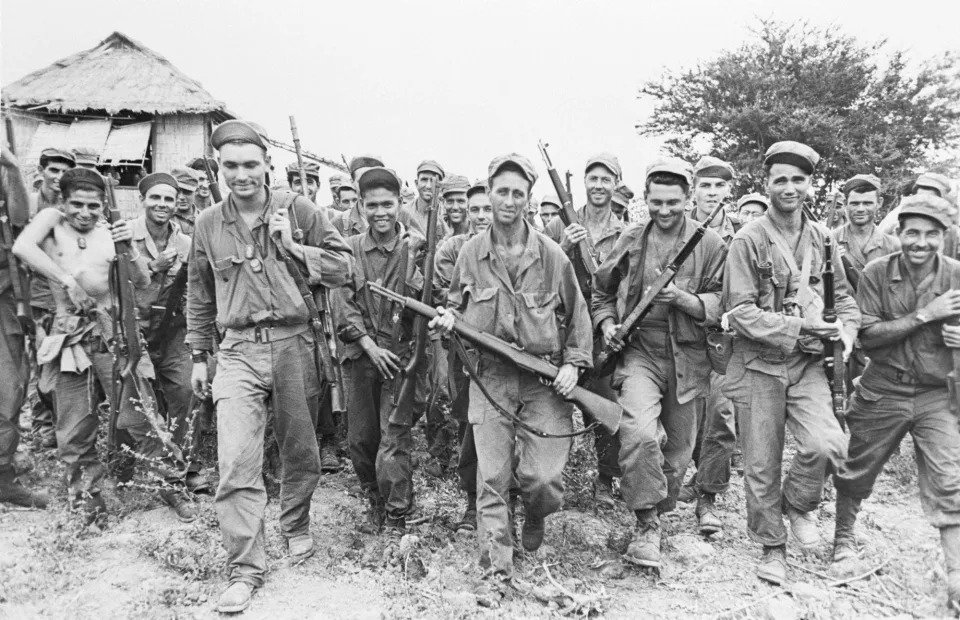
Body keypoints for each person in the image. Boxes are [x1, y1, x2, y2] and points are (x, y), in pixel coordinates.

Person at [186, 120, 351, 613]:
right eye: (230, 166)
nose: (241, 175)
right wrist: (199, 355)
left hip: (295, 344)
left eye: (250, 165)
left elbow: (345, 270)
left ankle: (296, 524)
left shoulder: (299, 211)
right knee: (236, 460)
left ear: (267, 166)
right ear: (219, 169)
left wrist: (296, 248)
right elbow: (199, 293)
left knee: (301, 451)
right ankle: (244, 568)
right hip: (236, 349)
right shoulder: (207, 224)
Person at [430, 153, 592, 584]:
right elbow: (454, 303)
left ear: (528, 199)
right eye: (501, 191)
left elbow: (578, 318)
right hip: (490, 379)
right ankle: (495, 571)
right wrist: (448, 319)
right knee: (492, 479)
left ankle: (535, 514)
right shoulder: (469, 253)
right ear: (490, 192)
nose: (509, 200)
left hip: (543, 380)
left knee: (542, 479)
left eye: (517, 193)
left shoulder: (553, 255)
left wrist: (574, 365)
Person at [13, 167, 193, 525]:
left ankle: (169, 483)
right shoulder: (50, 223)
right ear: (63, 203)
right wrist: (66, 281)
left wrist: (128, 249)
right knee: (75, 424)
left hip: (115, 336)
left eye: (93, 206)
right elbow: (22, 247)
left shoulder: (110, 232)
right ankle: (86, 498)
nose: (85, 212)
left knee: (142, 415)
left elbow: (142, 283)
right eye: (76, 204)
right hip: (69, 339)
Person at [722, 141, 860, 585]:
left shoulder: (823, 238)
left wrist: (846, 334)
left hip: (805, 367)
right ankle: (772, 546)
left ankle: (799, 504)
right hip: (759, 365)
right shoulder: (748, 239)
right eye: (780, 179)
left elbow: (845, 302)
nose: (789, 187)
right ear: (766, 183)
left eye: (798, 179)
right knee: (761, 465)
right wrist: (806, 328)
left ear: (809, 185)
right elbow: (740, 312)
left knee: (829, 444)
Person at [593, 158, 725, 567]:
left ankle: (661, 507)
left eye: (672, 202)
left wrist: (683, 300)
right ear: (645, 200)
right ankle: (646, 524)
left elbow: (725, 304)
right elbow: (600, 292)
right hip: (640, 354)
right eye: (656, 202)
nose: (664, 211)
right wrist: (608, 324)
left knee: (680, 453)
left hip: (689, 357)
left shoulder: (711, 245)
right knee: (638, 432)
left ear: (688, 200)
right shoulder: (632, 238)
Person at [832, 194, 960, 610]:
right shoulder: (876, 272)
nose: (920, 242)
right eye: (912, 232)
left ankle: (957, 578)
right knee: (857, 468)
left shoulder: (957, 276)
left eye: (931, 234)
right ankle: (844, 541)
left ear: (944, 237)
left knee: (949, 479)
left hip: (935, 394)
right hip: (883, 386)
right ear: (899, 233)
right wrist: (926, 314)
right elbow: (868, 336)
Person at [331, 166, 424, 536]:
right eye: (372, 205)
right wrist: (370, 347)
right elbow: (343, 305)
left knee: (393, 437)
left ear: (400, 204)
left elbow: (421, 301)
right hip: (362, 357)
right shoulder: (350, 249)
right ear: (361, 207)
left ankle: (398, 511)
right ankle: (373, 495)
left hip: (402, 359)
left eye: (388, 204)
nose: (380, 212)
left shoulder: (415, 247)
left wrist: (414, 260)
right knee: (361, 438)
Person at [543, 153, 625, 508]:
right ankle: (548, 479)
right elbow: (538, 276)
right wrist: (563, 248)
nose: (598, 185)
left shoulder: (626, 234)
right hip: (562, 330)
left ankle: (607, 480)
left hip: (603, 330)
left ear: (615, 184)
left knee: (606, 403)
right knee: (553, 404)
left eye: (606, 179)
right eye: (593, 178)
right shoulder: (557, 228)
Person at [131, 172, 208, 493]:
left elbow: (194, 291)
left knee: (187, 392)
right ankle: (147, 467)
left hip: (173, 331)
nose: (162, 205)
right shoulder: (124, 236)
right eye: (155, 198)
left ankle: (186, 465)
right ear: (143, 201)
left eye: (169, 199)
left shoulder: (186, 243)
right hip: (133, 331)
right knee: (139, 405)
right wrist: (152, 267)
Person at [678, 156, 738, 536]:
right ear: (693, 192)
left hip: (725, 341)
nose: (711, 194)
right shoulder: (678, 233)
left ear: (728, 191)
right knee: (684, 419)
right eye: (704, 186)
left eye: (719, 186)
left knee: (720, 417)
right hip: (681, 336)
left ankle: (708, 498)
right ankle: (676, 486)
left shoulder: (745, 235)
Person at [433, 178, 491, 530]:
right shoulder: (454, 249)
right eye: (475, 210)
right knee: (471, 423)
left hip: (507, 352)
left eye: (487, 208)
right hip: (465, 349)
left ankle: (508, 501)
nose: (482, 216)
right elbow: (445, 296)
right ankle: (473, 502)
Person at [0, 137, 47, 508]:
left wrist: (12, 167)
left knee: (9, 387)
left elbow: (18, 218)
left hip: (2, 297)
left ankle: (2, 474)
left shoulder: (5, 174)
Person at [28, 148, 76, 447]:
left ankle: (62, 423)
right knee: (40, 360)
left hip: (67, 296)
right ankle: (41, 425)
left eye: (63, 172)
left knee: (63, 362)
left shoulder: (70, 206)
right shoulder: (30, 205)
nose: (58, 178)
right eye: (53, 170)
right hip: (35, 294)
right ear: (41, 171)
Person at [402, 159, 449, 242]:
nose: (428, 186)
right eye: (424, 180)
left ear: (440, 186)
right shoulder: (403, 212)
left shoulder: (446, 218)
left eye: (433, 181)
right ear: (416, 183)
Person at [170, 167, 201, 236]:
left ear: (197, 191)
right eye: (177, 191)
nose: (181, 197)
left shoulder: (205, 220)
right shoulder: (165, 219)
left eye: (187, 192)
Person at [442, 174, 471, 238]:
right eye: (450, 201)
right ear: (444, 203)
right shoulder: (438, 230)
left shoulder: (477, 230)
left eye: (461, 201)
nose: (455, 207)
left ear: (469, 203)